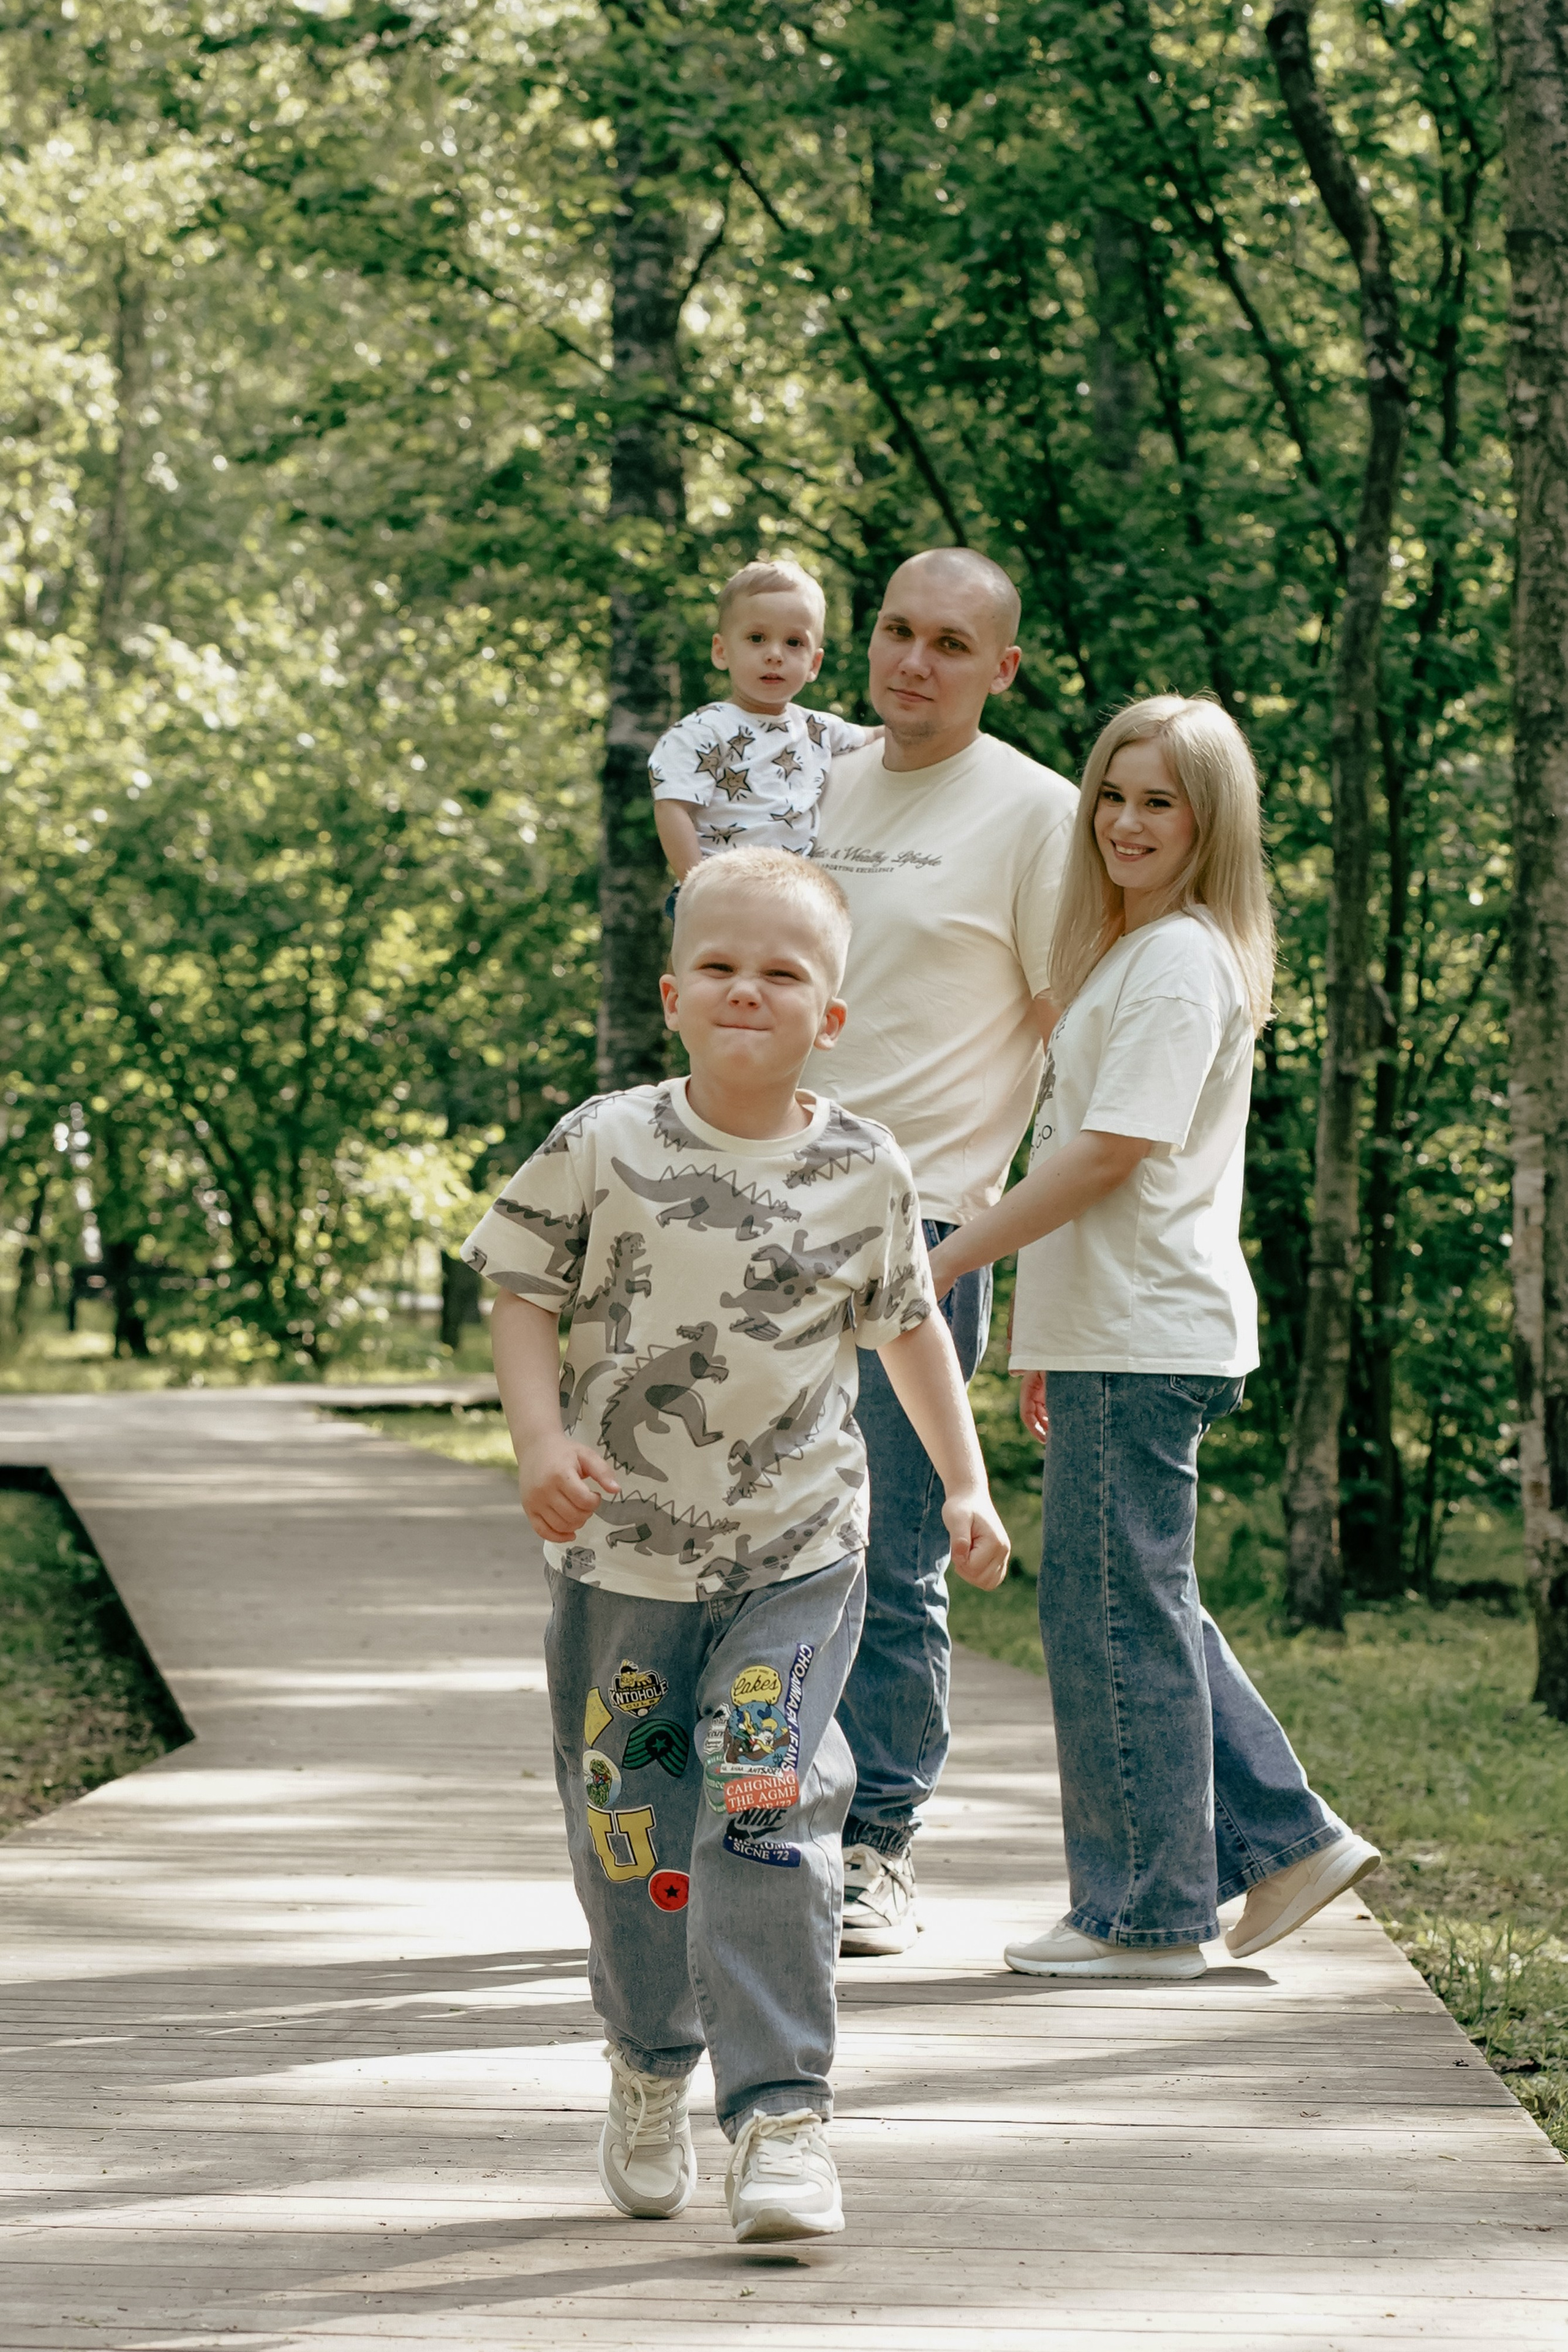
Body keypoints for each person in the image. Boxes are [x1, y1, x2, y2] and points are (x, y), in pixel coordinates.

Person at [462, 846, 1008, 2240]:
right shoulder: (604, 1142)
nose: (746, 988)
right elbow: (518, 1285)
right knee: (631, 1836)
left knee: (766, 1797)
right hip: (619, 1568)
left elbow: (906, 1330)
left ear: (830, 1010)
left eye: (781, 970)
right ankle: (649, 2061)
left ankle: (780, 2113)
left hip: (796, 1558)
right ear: (673, 993)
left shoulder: (860, 1166)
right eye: (719, 964)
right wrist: (536, 1439)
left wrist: (963, 1481)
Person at [927, 696, 1380, 1978]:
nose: (1124, 823)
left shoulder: (1180, 958)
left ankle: (1146, 1916)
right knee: (1135, 1599)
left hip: (1146, 1328)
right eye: (1110, 796)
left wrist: (953, 1258)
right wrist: (1032, 1335)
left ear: (1208, 822)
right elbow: (1095, 1151)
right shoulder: (1134, 952)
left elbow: (1115, 1153)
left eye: (1157, 803)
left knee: (1110, 1612)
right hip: (1107, 1331)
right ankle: (1285, 1839)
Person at [806, 546, 1077, 1954]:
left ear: (998, 667)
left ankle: (878, 1844)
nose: (913, 660)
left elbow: (1076, 1049)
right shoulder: (823, 777)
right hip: (759, 1212)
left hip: (919, 1229)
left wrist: (1020, 1258)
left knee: (890, 1553)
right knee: (746, 1546)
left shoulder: (1039, 816)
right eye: (896, 630)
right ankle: (766, 1812)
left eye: (949, 643)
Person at [649, 559, 877, 881]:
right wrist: (695, 885)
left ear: (814, 663)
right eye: (757, 638)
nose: (775, 654)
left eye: (794, 642)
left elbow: (880, 736)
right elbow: (672, 808)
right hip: (722, 886)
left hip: (794, 891)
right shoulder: (701, 732)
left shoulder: (819, 728)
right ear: (722, 651)